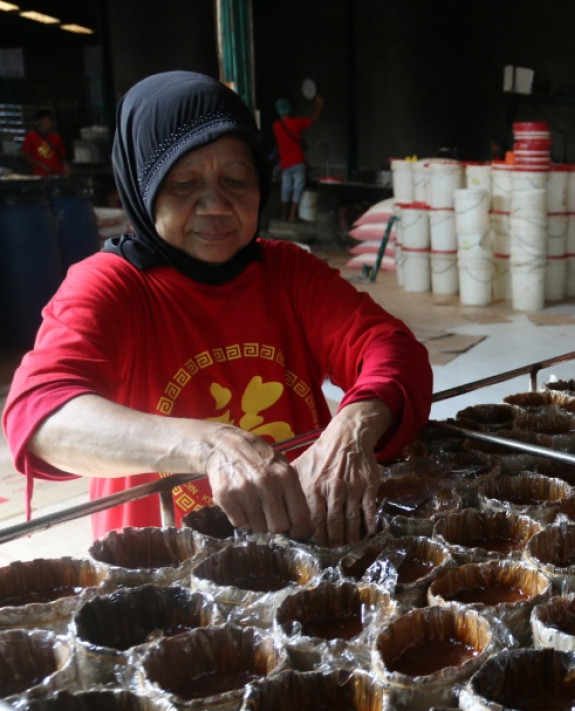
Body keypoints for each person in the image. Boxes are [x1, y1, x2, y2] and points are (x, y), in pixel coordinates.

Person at [2, 71, 433, 547]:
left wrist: (352, 429)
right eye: (184, 183)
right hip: (164, 565)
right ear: (143, 187)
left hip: (301, 549)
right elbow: (42, 415)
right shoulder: (112, 285)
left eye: (236, 180)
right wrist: (211, 445)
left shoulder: (288, 272)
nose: (216, 205)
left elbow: (392, 349)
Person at [273, 95, 323, 221]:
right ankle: (292, 215)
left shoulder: (276, 126)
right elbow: (312, 119)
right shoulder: (296, 123)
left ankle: (283, 216)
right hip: (298, 162)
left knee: (285, 188)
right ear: (289, 109)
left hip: (285, 164)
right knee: (298, 188)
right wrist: (319, 106)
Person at [21, 109, 70, 177]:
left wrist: (66, 166)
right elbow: (27, 156)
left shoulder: (56, 137)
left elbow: (62, 155)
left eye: (51, 121)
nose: (50, 124)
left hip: (58, 173)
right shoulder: (30, 137)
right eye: (47, 121)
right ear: (39, 122)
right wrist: (42, 165)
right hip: (40, 175)